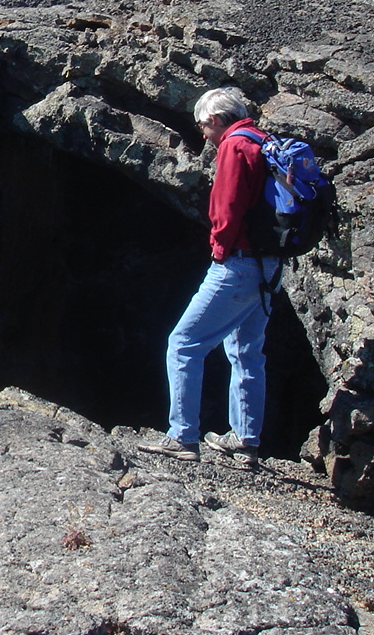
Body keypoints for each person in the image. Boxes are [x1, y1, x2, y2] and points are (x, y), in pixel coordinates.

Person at [139, 87, 277, 467]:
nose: (204, 135)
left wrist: (219, 251)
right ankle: (246, 441)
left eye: (203, 127)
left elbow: (227, 207)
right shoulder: (264, 141)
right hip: (270, 265)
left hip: (238, 265)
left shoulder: (234, 146)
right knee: (246, 350)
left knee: (183, 344)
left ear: (215, 120)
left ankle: (182, 436)